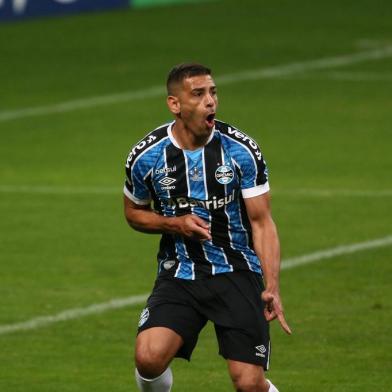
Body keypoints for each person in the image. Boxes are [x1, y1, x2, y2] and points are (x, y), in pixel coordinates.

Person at [123, 63, 291, 392]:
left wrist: (271, 285)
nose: (210, 101)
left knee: (248, 383)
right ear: (175, 104)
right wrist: (173, 224)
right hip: (180, 273)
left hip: (236, 271)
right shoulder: (147, 156)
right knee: (148, 357)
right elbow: (133, 213)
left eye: (213, 92)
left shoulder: (241, 151)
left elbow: (262, 222)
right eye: (198, 94)